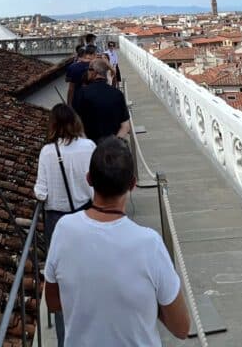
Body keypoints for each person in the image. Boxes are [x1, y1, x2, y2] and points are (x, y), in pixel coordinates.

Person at [45, 137, 190, 347]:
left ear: (88, 179)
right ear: (132, 184)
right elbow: (181, 328)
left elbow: (53, 301)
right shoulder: (149, 243)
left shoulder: (64, 229)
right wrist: (144, 301)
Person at [34, 104, 95, 347]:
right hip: (84, 214)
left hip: (56, 221)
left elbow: (41, 191)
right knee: (88, 273)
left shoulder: (47, 152)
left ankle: (65, 339)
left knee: (61, 280)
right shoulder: (89, 147)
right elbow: (94, 185)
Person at [72, 58, 130, 142]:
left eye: (88, 69)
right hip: (113, 145)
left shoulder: (81, 93)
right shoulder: (117, 93)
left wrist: (88, 144)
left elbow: (75, 124)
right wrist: (116, 142)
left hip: (91, 145)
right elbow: (125, 125)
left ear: (94, 72)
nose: (87, 72)